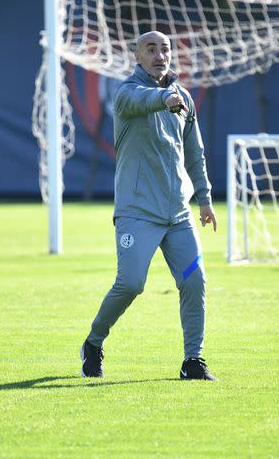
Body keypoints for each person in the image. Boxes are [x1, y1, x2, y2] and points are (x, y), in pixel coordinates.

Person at [80, 31, 218, 381]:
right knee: (131, 285)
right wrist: (164, 99)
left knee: (195, 281)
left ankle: (193, 361)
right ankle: (94, 342)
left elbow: (195, 152)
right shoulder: (126, 93)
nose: (159, 55)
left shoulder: (183, 97)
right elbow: (143, 101)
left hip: (177, 214)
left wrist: (204, 198)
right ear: (137, 57)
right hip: (137, 212)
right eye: (151, 49)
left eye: (165, 49)